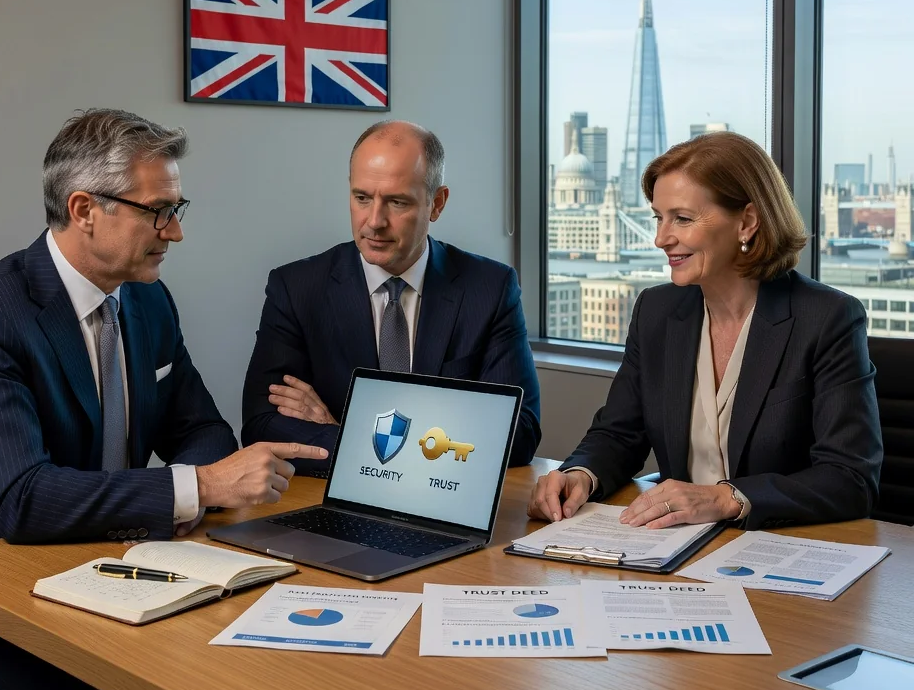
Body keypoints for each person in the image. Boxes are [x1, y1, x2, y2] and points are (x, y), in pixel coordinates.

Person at [0, 109, 326, 690]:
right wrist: (198, 490)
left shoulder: (148, 303)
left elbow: (199, 431)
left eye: (177, 208)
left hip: (108, 568)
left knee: (251, 686)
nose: (176, 231)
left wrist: (199, 482)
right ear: (83, 208)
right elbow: (21, 500)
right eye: (158, 211)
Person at [528, 131, 883, 531]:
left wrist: (727, 497)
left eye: (682, 218)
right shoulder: (657, 311)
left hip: (778, 546)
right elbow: (618, 434)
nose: (661, 239)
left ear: (747, 221)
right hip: (675, 546)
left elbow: (850, 478)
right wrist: (580, 474)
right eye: (658, 218)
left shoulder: (826, 318)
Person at [241, 120, 541, 474]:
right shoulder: (296, 288)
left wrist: (348, 432)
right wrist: (425, 441)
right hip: (334, 504)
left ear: (436, 204)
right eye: (362, 198)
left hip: (442, 502)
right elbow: (261, 424)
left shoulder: (489, 289)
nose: (374, 221)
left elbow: (518, 434)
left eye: (397, 202)